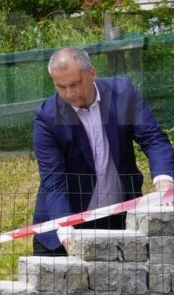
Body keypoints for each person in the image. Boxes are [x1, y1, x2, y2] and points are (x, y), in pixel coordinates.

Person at [32, 46, 174, 255]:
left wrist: (165, 183)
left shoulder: (123, 95)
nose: (69, 94)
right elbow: (54, 180)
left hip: (119, 219)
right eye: (61, 87)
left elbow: (154, 140)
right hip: (63, 226)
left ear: (92, 73)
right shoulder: (47, 118)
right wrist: (66, 231)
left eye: (75, 84)